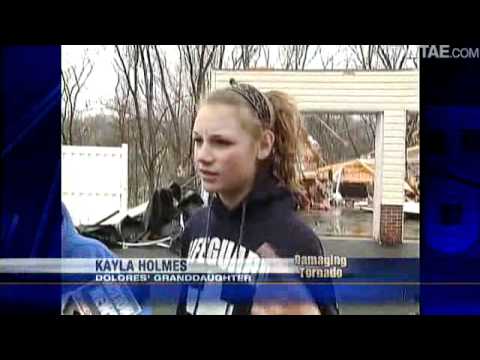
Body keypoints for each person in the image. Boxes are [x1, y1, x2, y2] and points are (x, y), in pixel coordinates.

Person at [177, 79, 338, 315]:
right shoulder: (196, 227)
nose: (203, 156)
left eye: (221, 142)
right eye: (198, 141)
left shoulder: (298, 243)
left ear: (263, 145)